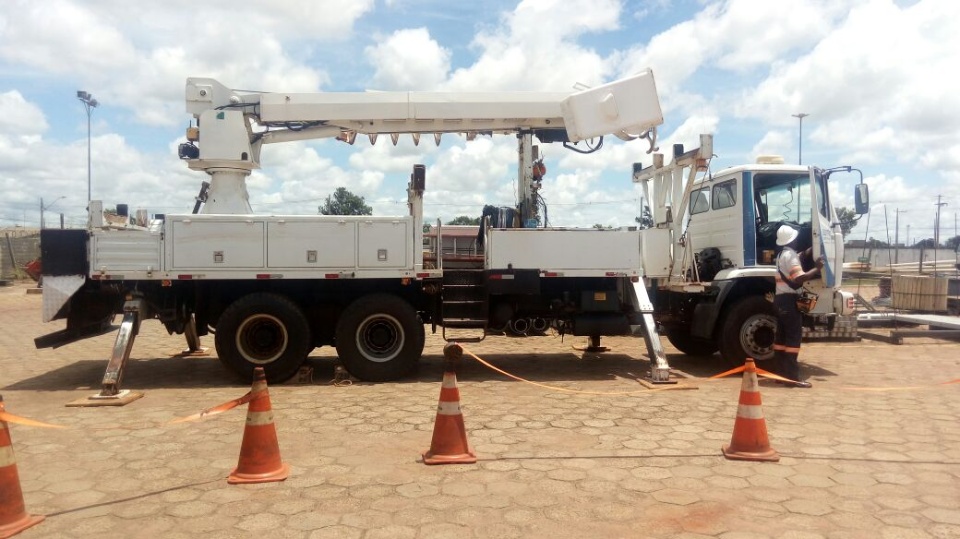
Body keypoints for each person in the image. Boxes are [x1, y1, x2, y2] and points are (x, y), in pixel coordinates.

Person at [773, 225, 823, 388]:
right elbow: (800, 278)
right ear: (793, 239)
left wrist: (808, 252)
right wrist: (818, 268)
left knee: (780, 339)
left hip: (779, 300)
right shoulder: (791, 256)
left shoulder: (781, 255)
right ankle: (793, 378)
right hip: (789, 300)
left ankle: (781, 375)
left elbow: (797, 258)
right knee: (793, 339)